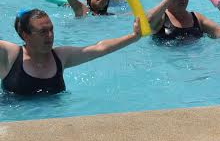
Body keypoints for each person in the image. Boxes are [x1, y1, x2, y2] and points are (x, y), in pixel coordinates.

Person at [0, 8, 141, 96]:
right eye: (43, 32)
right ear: (26, 35)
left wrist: (134, 36)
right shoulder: (10, 55)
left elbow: (99, 48)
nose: (50, 35)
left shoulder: (61, 56)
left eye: (51, 29)